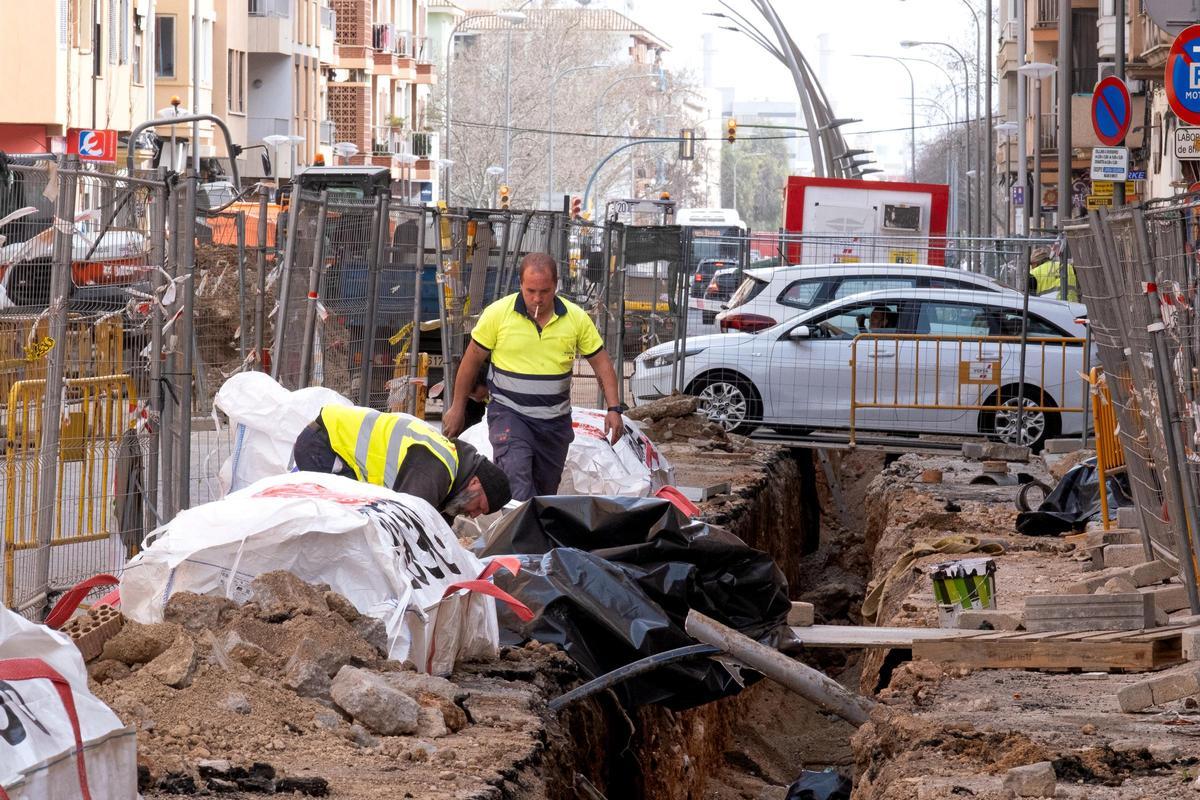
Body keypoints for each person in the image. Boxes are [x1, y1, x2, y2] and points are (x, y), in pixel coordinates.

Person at [442, 252, 622, 501]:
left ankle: (532, 526)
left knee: (544, 495)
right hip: (509, 414)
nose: (537, 298)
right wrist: (457, 407)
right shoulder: (498, 314)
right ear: (520, 284)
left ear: (556, 285)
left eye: (545, 291)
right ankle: (520, 526)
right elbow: (470, 361)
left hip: (554, 424)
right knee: (517, 482)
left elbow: (601, 363)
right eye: (531, 291)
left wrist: (614, 408)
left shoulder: (576, 319)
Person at [293, 403, 511, 521]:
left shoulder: (454, 470)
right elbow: (408, 521)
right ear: (475, 483)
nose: (473, 515)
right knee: (344, 523)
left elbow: (437, 523)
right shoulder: (435, 468)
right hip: (326, 445)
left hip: (330, 443)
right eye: (479, 507)